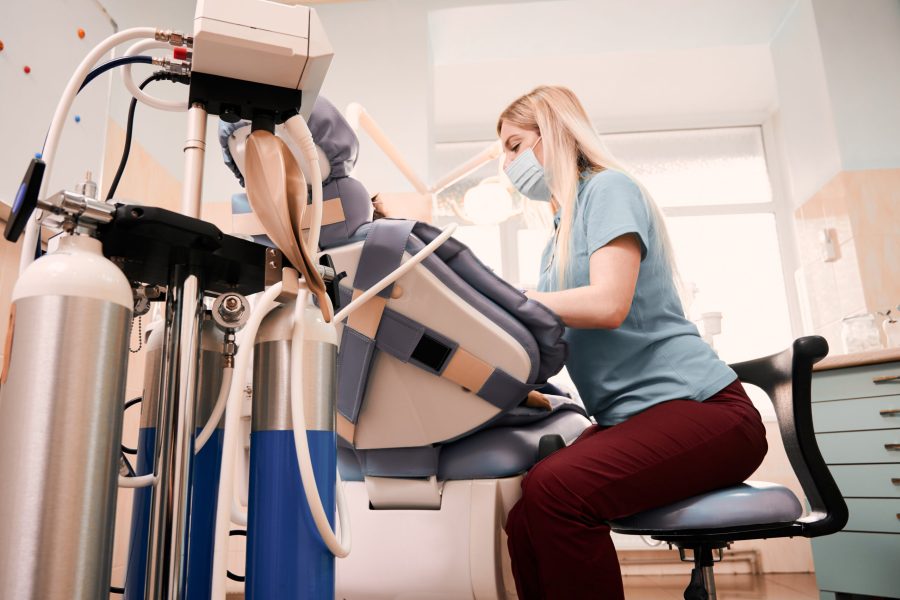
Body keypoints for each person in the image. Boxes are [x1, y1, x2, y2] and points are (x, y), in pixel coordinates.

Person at [497, 85, 768, 599]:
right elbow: (550, 336)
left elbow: (607, 303)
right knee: (526, 516)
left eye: (514, 146)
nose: (507, 166)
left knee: (556, 490)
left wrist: (518, 299)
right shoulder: (557, 238)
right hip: (641, 418)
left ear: (552, 133)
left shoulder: (608, 189)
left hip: (707, 411)